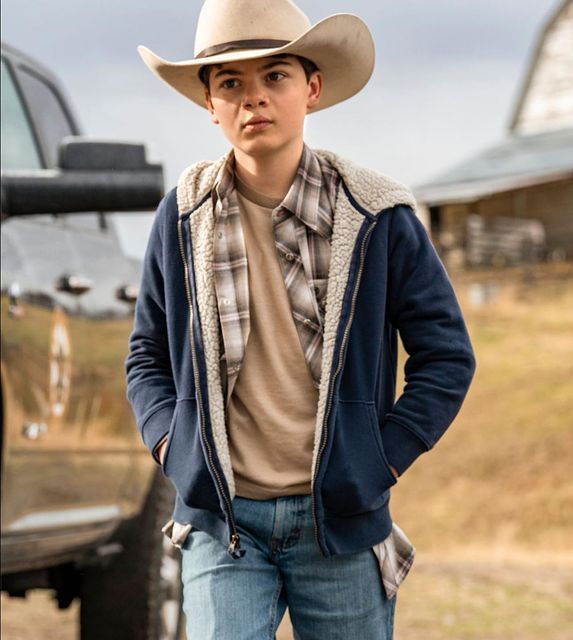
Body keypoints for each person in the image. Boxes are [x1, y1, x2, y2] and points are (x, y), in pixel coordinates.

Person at [125, 0, 477, 637]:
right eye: (231, 82)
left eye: (275, 76)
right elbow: (146, 354)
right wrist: (175, 449)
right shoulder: (182, 216)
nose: (254, 97)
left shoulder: (377, 215)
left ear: (312, 88)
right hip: (223, 522)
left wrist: (380, 460)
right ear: (210, 103)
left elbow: (447, 355)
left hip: (338, 524)